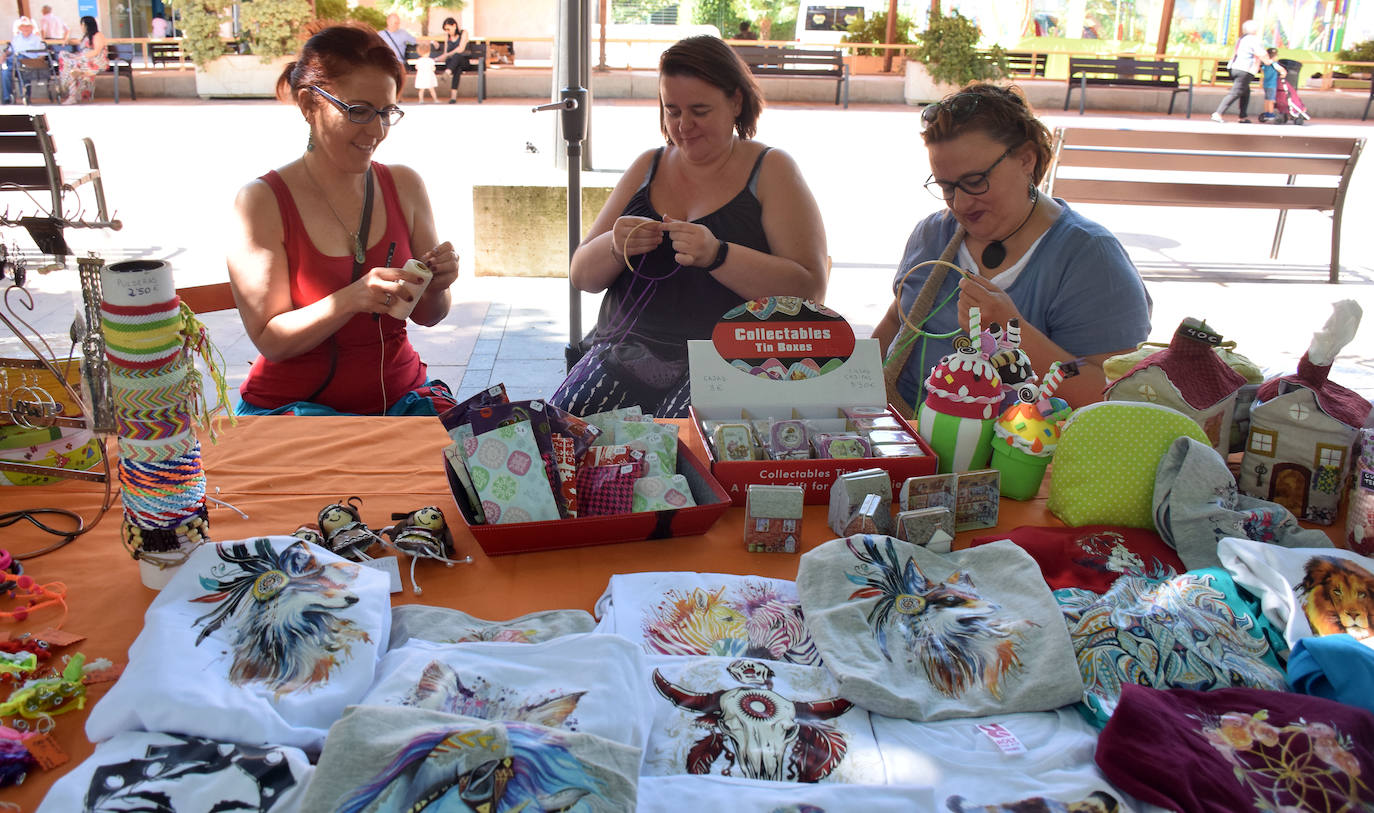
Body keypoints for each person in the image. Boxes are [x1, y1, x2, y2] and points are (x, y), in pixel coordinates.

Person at [550, 35, 827, 418]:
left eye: (700, 110)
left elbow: (810, 290)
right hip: (624, 352)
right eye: (672, 110)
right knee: (559, 436)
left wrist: (718, 255)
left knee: (682, 452)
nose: (684, 126)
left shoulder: (771, 169)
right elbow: (582, 275)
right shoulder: (648, 164)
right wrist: (616, 246)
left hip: (727, 360)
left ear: (736, 102)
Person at [226, 25, 460, 416]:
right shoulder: (261, 201)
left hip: (403, 400)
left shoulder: (404, 184)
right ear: (307, 104)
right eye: (358, 111)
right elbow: (271, 340)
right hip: (294, 410)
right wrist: (350, 299)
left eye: (387, 112)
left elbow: (429, 316)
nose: (377, 130)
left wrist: (437, 286)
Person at [873, 84, 1151, 411]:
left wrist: (1011, 332)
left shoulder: (1091, 259)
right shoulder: (932, 234)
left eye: (976, 181)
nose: (960, 203)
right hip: (906, 442)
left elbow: (1110, 392)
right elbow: (897, 322)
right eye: (946, 187)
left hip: (1016, 456)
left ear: (1026, 160)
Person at [1211, 19, 1272, 124]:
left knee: (1245, 92)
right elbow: (1261, 53)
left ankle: (1242, 116)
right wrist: (1269, 61)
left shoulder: (1242, 39)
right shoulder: (1253, 39)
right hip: (1244, 69)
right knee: (1236, 92)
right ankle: (1218, 113)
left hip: (1234, 67)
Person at [57, 16, 106, 105]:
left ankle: (67, 88)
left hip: (95, 62)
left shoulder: (98, 35)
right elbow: (79, 42)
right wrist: (68, 40)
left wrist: (80, 57)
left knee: (72, 69)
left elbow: (96, 51)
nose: (81, 27)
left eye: (82, 25)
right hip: (83, 61)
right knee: (63, 54)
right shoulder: (87, 36)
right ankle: (66, 80)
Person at [2, 17, 49, 105]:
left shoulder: (36, 39)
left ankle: (25, 95)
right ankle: (7, 97)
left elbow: (42, 55)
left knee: (21, 65)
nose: (25, 28)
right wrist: (4, 55)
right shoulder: (16, 38)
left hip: (28, 61)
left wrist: (34, 61)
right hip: (14, 61)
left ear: (31, 28)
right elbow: (9, 51)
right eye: (23, 26)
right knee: (5, 72)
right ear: (20, 28)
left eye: (27, 26)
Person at [436, 17, 474, 103]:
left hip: (464, 61)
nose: (447, 31)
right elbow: (445, 53)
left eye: (448, 29)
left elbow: (461, 49)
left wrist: (448, 54)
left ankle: (447, 72)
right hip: (452, 64)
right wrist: (436, 59)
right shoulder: (447, 37)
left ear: (454, 26)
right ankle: (453, 98)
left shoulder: (464, 33)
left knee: (457, 56)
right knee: (457, 68)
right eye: (445, 29)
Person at [1259, 47, 1280, 121]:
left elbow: (1262, 72)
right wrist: (1284, 72)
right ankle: (1270, 113)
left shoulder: (1265, 64)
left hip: (1266, 84)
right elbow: (1280, 69)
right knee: (1271, 100)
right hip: (1272, 85)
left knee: (1266, 99)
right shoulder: (1274, 64)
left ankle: (1266, 112)